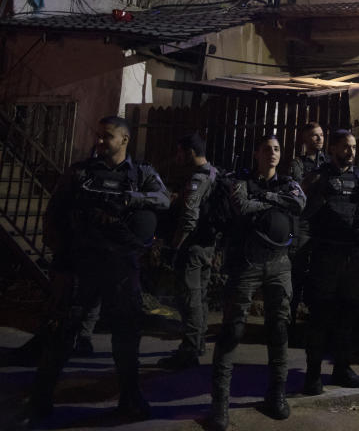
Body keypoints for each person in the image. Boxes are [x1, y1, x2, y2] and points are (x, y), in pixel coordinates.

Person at [20, 116, 170, 425]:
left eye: (107, 137)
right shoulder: (80, 173)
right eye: (99, 136)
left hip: (121, 268)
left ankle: (130, 398)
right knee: (62, 333)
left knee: (126, 335)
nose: (100, 142)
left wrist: (130, 198)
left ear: (124, 140)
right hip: (81, 265)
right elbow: (55, 213)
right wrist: (60, 258)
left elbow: (164, 200)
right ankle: (41, 396)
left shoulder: (141, 173)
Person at [208, 135, 305, 431]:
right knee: (232, 330)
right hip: (247, 264)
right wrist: (273, 202)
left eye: (277, 149)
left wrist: (267, 198)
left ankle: (276, 395)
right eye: (267, 149)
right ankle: (220, 405)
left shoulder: (287, 183)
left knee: (278, 329)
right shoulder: (241, 181)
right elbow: (242, 206)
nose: (272, 154)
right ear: (256, 153)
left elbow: (299, 203)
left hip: (279, 264)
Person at [300, 129, 359, 394]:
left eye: (353, 148)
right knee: (320, 316)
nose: (350, 152)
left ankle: (342, 368)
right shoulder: (317, 177)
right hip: (326, 255)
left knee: (348, 314)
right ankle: (313, 374)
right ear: (333, 149)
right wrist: (319, 195)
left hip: (351, 257)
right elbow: (302, 213)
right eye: (345, 147)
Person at [157, 132, 221, 370]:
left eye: (180, 152)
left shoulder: (198, 178)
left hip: (192, 246)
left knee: (190, 298)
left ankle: (190, 349)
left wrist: (176, 245)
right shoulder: (215, 173)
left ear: (190, 152)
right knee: (200, 295)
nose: (177, 157)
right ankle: (198, 343)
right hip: (207, 246)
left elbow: (189, 216)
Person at [288, 122, 327, 333]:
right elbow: (296, 190)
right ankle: (289, 322)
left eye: (321, 135)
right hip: (303, 224)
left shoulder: (329, 162)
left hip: (323, 224)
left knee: (321, 275)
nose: (319, 139)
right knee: (298, 273)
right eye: (314, 136)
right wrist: (315, 178)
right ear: (305, 139)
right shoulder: (298, 164)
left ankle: (316, 325)